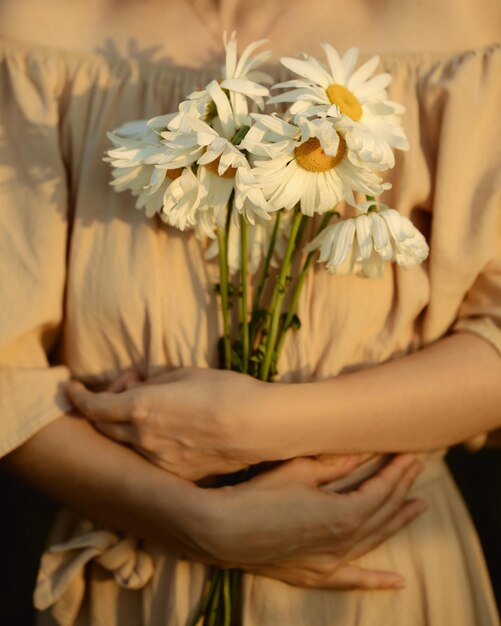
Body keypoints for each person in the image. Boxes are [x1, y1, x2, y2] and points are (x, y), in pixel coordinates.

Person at [0, 0, 500, 624]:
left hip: (373, 570)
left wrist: (255, 425)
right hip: (138, 576)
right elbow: (6, 381)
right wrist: (196, 523)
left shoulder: (461, 34)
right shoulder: (38, 35)